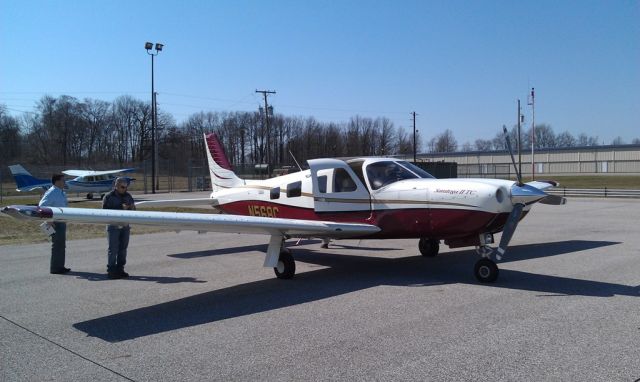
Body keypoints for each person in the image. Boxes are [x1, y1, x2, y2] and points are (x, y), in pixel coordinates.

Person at [102, 177, 135, 279]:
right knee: (113, 249)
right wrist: (121, 208)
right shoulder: (108, 196)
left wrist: (131, 208)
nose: (124, 188)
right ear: (116, 186)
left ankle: (120, 269)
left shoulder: (128, 196)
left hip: (125, 226)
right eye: (122, 186)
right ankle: (111, 270)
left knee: (123, 249)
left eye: (126, 187)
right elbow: (104, 212)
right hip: (113, 226)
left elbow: (134, 211)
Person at [39, 174, 70, 274]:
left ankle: (60, 266)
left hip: (61, 221)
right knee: (57, 245)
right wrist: (49, 220)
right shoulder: (52, 192)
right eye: (63, 180)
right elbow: (42, 205)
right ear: (57, 181)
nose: (64, 182)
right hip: (55, 222)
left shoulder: (61, 192)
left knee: (61, 245)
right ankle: (56, 268)